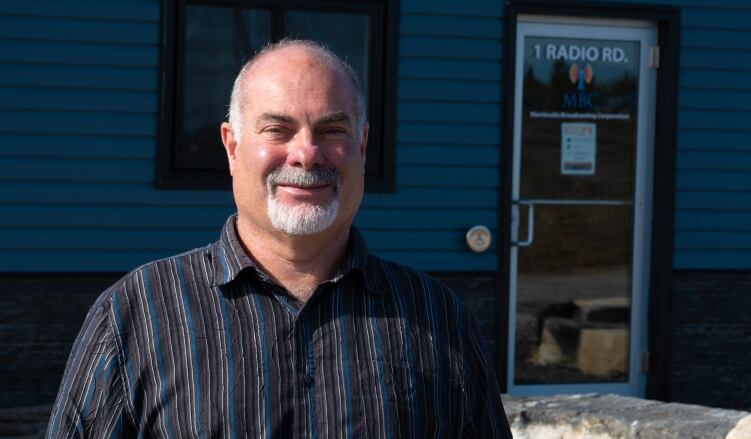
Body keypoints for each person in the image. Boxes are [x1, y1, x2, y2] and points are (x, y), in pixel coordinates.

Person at [47, 39, 511, 438]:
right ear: (231, 146)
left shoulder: (438, 318)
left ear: (363, 146)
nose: (307, 154)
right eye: (278, 129)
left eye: (332, 130)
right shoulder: (136, 315)